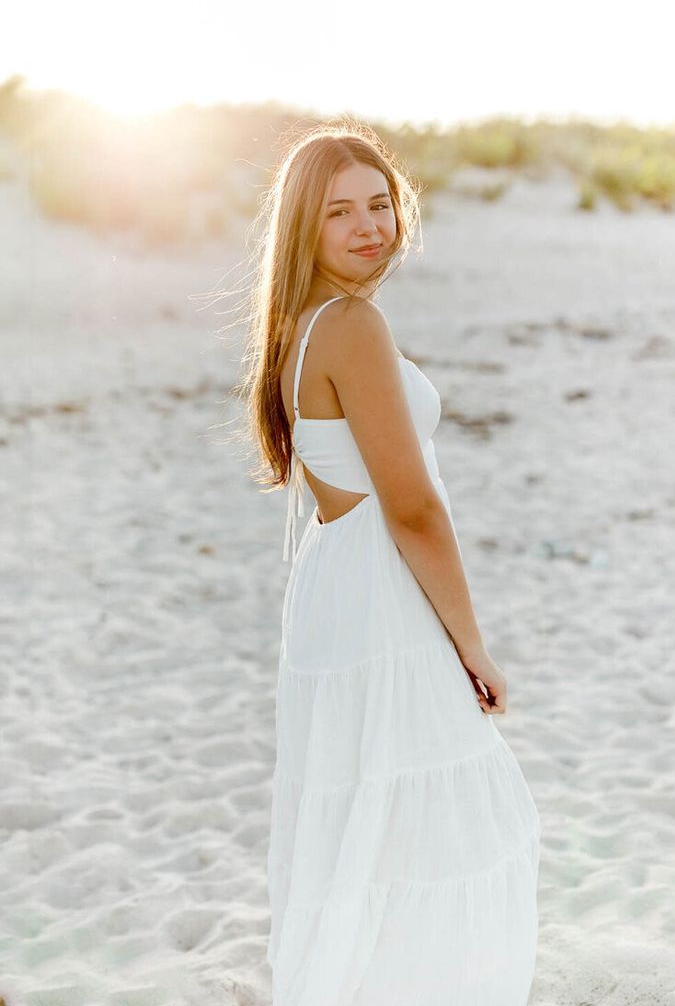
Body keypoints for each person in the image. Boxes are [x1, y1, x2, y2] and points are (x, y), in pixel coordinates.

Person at [239, 121, 541, 1005]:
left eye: (380, 204)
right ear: (305, 228)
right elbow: (411, 508)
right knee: (446, 819)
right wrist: (471, 644)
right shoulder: (351, 323)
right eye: (340, 212)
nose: (370, 226)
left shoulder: (301, 324)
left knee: (374, 819)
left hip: (339, 584)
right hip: (378, 586)